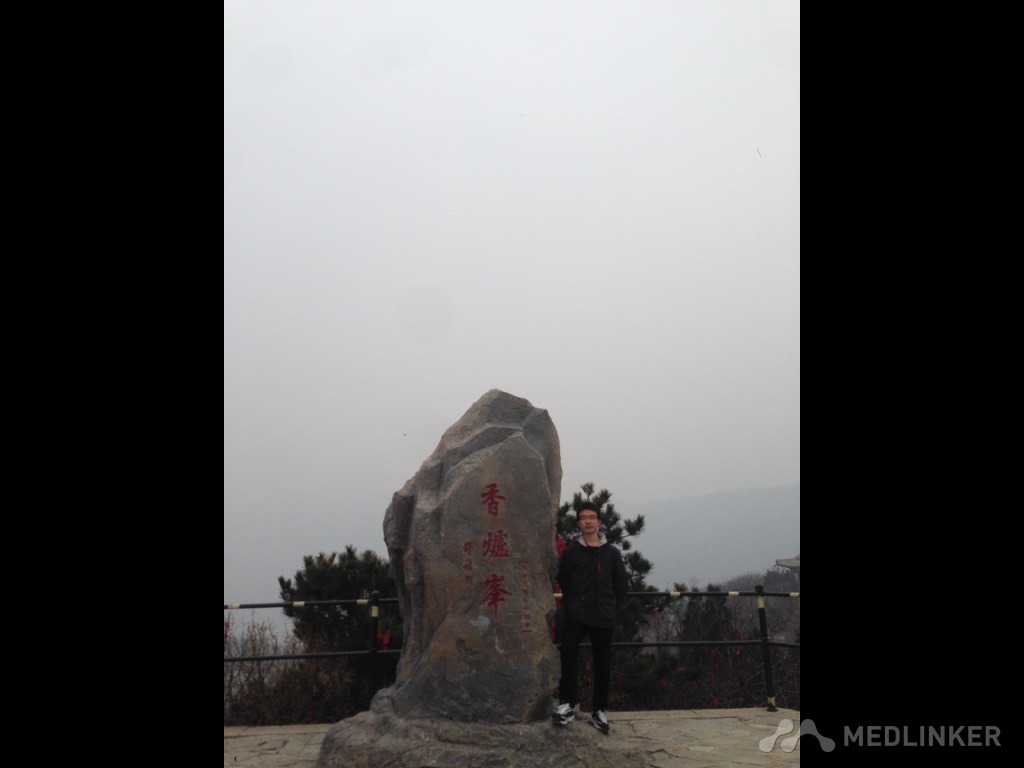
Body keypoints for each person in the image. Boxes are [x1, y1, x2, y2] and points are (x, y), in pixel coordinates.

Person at [552, 501, 629, 733]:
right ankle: (567, 704)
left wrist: (612, 609)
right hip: (576, 614)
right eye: (583, 518)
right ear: (578, 523)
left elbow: (621, 586)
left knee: (603, 664)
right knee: (568, 656)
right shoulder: (572, 552)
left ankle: (599, 711)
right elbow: (564, 581)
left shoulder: (612, 553)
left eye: (592, 517)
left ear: (599, 522)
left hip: (603, 616)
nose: (588, 521)